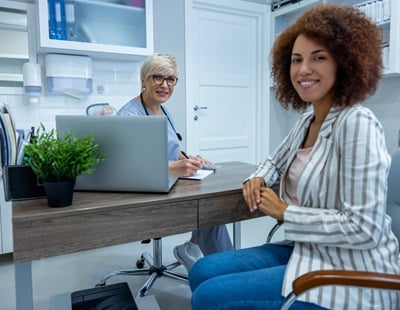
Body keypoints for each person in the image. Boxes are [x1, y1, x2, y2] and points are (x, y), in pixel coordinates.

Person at [189, 4, 400, 309]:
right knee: (202, 270)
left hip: (351, 268)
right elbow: (274, 160)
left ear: (345, 62)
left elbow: (363, 228)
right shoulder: (308, 120)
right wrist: (259, 176)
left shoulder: (357, 124)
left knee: (209, 297)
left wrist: (286, 213)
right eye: (296, 60)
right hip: (311, 249)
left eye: (319, 58)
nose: (303, 70)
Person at [118, 53, 234, 272]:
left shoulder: (164, 110)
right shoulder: (129, 116)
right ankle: (226, 273)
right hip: (143, 195)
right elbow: (129, 168)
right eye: (157, 78)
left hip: (169, 183)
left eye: (171, 79)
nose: (165, 85)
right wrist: (174, 167)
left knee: (212, 203)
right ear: (144, 80)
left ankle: (196, 251)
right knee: (209, 211)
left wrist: (188, 159)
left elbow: (171, 148)